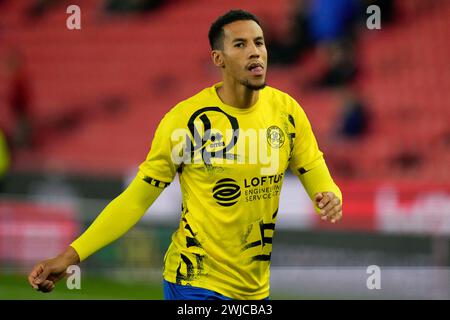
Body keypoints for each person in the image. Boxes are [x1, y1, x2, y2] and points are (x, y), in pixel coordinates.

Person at [27, 9, 342, 300]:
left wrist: (327, 192)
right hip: (194, 282)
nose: (255, 51)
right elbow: (136, 199)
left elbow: (310, 163)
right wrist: (70, 256)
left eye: (259, 42)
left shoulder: (286, 111)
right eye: (241, 44)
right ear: (218, 58)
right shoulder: (186, 122)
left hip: (253, 289)